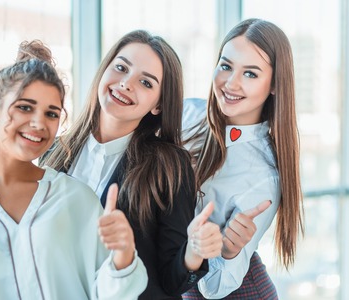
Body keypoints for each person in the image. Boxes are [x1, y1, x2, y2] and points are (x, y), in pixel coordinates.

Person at [0, 40, 148, 300]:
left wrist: (124, 254)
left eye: (51, 113)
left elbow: (108, 294)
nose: (38, 123)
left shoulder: (77, 199)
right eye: (25, 107)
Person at [40, 30, 223, 300]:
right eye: (121, 68)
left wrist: (193, 252)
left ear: (158, 105)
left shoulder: (169, 166)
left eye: (146, 83)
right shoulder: (53, 152)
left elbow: (173, 282)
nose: (126, 83)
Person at [181, 18, 304, 299]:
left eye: (250, 74)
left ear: (274, 85)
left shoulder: (263, 174)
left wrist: (229, 251)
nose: (231, 83)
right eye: (226, 66)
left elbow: (215, 289)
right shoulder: (188, 115)